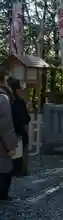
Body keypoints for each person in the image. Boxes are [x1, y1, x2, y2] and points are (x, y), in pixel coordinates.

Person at [0, 67, 18, 202]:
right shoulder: (3, 98)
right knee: (4, 169)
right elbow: (6, 125)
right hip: (1, 143)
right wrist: (11, 146)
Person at [7, 78, 30, 177]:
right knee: (18, 161)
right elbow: (25, 119)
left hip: (6, 134)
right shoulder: (19, 102)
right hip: (18, 134)